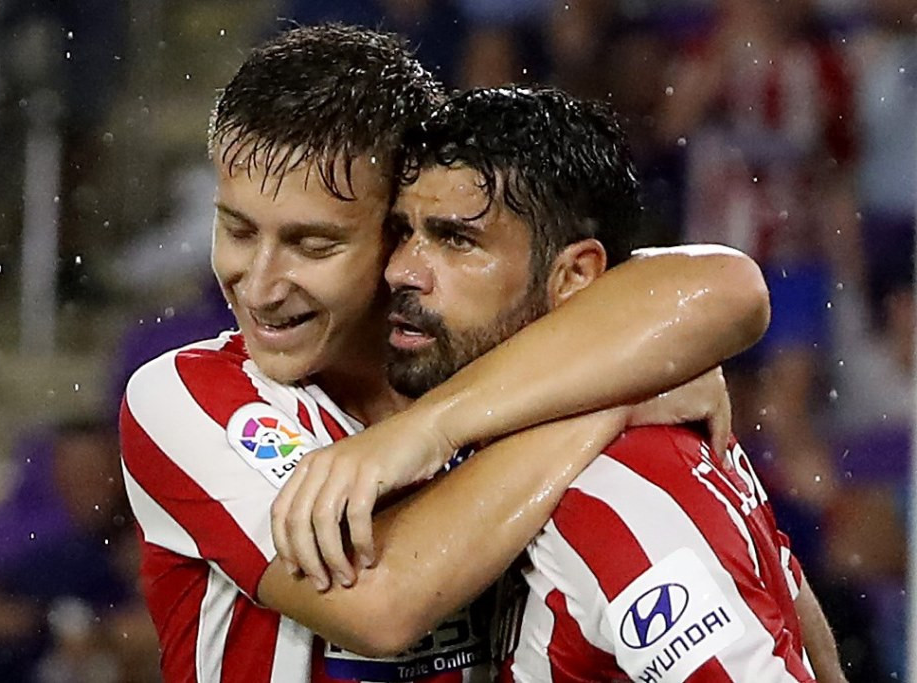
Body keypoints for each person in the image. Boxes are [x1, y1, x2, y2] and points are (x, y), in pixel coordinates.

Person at [120, 24, 771, 682]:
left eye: (313, 246)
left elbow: (729, 287)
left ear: (396, 232)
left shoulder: (478, 364)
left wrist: (431, 427)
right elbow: (380, 606)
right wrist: (613, 397)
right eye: (236, 230)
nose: (260, 285)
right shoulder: (183, 398)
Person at [278, 86, 846, 681]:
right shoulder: (630, 415)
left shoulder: (614, 493)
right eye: (403, 233)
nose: (402, 271)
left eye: (456, 240)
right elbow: (816, 652)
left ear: (575, 276)